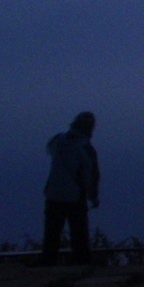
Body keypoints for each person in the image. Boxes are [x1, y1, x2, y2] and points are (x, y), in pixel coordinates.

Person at [42, 112, 100, 265]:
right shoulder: (85, 148)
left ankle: (48, 264)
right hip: (75, 197)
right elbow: (91, 175)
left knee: (52, 234)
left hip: (53, 194)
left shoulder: (57, 141)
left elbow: (49, 149)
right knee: (79, 234)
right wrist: (93, 197)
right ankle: (82, 264)